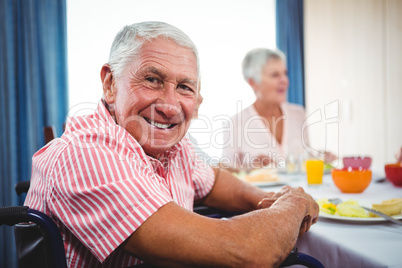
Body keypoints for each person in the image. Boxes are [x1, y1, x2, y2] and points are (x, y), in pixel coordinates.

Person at [24, 21, 318, 267]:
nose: (169, 105)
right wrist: (293, 203)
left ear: (198, 101)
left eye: (184, 87)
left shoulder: (174, 146)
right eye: (152, 79)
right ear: (110, 84)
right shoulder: (87, 155)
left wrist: (266, 200)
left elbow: (213, 182)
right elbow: (247, 251)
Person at [221, 48, 336, 171]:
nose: (284, 81)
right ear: (252, 82)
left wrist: (318, 158)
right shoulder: (235, 123)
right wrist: (249, 168)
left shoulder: (298, 114)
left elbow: (303, 163)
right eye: (275, 75)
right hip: (260, 190)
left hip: (299, 190)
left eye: (285, 73)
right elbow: (224, 172)